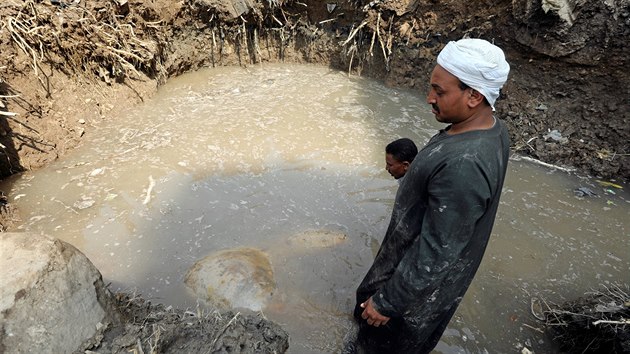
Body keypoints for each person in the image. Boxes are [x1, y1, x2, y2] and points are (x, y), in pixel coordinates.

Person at [351, 38, 511, 353]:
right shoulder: (489, 129)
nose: (429, 98)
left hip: (406, 308)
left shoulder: (467, 164)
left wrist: (387, 301)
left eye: (440, 92)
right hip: (411, 289)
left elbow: (438, 249)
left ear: (474, 96)